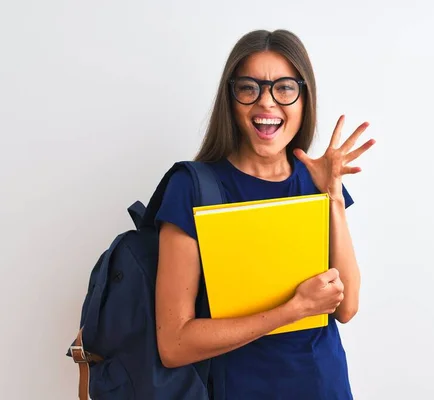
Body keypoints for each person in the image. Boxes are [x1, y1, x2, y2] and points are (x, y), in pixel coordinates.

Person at [154, 29, 375, 400]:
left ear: (305, 99)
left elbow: (347, 306)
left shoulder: (317, 178)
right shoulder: (192, 187)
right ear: (231, 98)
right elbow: (174, 344)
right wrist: (293, 310)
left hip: (324, 386)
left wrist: (332, 196)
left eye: (285, 88)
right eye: (249, 88)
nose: (267, 103)